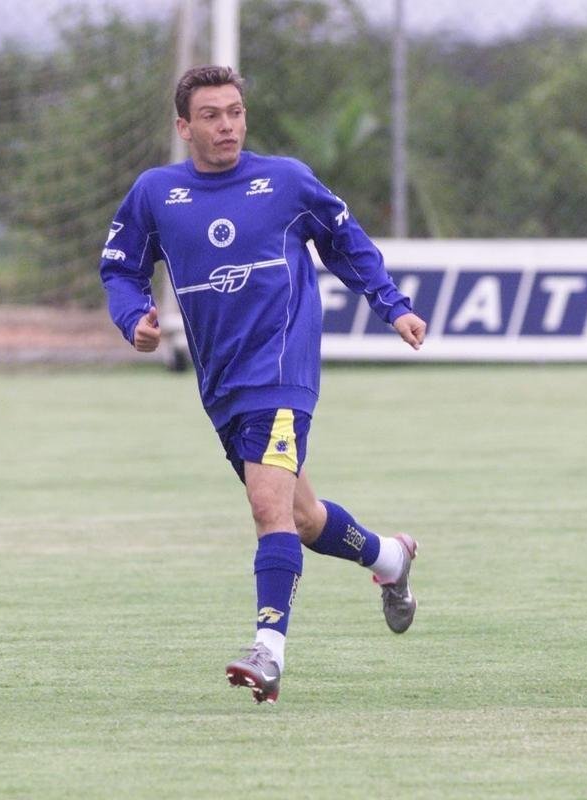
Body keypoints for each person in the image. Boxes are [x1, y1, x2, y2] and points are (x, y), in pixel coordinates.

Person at [99, 65, 428, 705]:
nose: (227, 125)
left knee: (266, 509)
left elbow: (347, 243)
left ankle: (267, 651)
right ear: (184, 126)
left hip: (282, 375)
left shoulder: (285, 181)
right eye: (212, 115)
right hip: (221, 384)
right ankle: (390, 557)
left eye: (235, 112)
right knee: (302, 518)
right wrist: (130, 317)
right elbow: (120, 267)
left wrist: (392, 304)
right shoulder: (155, 193)